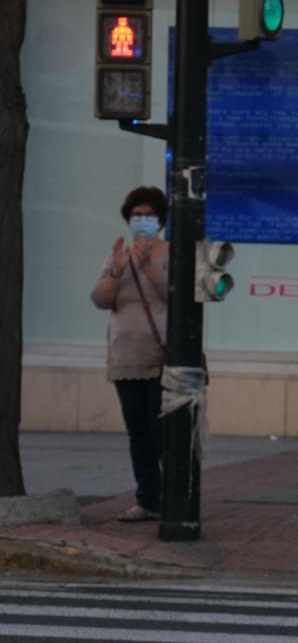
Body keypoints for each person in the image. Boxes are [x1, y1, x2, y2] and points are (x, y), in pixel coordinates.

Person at [89, 186, 169, 523]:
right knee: (138, 433)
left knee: (162, 432)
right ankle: (147, 499)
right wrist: (117, 270)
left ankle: (176, 497)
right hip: (125, 357)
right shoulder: (118, 254)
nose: (142, 221)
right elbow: (100, 299)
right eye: (136, 216)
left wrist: (149, 267)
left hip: (161, 358)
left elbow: (176, 294)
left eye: (149, 215)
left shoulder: (170, 252)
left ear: (160, 220)